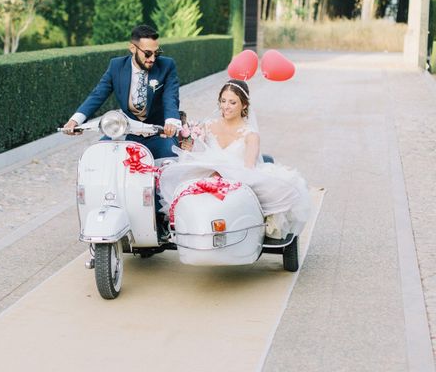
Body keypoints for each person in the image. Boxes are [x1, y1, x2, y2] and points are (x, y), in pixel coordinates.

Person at [159, 79, 311, 239]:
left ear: (244, 105)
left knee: (287, 187)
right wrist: (188, 142)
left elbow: (248, 168)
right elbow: (194, 154)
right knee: (177, 181)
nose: (226, 106)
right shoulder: (207, 126)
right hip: (207, 174)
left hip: (237, 177)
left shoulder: (250, 134)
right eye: (223, 101)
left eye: (232, 102)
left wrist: (224, 178)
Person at [62, 24, 181, 159]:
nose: (153, 59)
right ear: (132, 48)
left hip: (158, 134)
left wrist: (171, 121)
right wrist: (75, 121)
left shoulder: (167, 66)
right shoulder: (116, 66)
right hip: (126, 131)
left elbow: (170, 97)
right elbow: (98, 95)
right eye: (148, 53)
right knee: (99, 157)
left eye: (156, 53)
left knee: (170, 162)